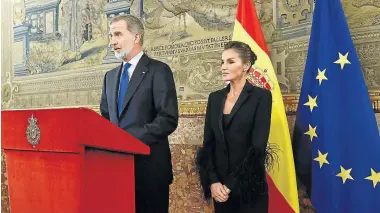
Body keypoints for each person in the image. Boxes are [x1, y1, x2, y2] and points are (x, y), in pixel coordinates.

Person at [100, 14, 178, 213]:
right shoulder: (109, 77)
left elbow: (168, 118)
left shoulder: (159, 71)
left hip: (149, 173)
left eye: (118, 34)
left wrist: (128, 140)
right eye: (111, 35)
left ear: (136, 37)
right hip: (116, 172)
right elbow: (106, 119)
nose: (112, 42)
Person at [197, 41, 274, 213]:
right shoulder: (214, 98)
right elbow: (208, 145)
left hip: (249, 187)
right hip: (220, 188)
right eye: (222, 62)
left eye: (230, 62)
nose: (224, 67)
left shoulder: (261, 97)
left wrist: (230, 185)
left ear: (246, 65)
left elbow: (257, 147)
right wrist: (214, 181)